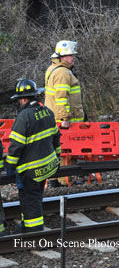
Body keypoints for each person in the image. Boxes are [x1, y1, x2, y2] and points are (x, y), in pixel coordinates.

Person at [6, 79, 60, 233]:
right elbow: (57, 138)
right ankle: (27, 222)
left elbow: (16, 146)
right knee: (36, 195)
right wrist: (57, 159)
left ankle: (33, 229)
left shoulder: (23, 118)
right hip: (48, 166)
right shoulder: (48, 112)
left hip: (31, 170)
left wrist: (10, 165)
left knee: (30, 198)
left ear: (23, 99)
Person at [44, 40, 84, 186]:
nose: (72, 57)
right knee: (67, 149)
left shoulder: (53, 68)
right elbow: (61, 97)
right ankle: (65, 180)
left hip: (53, 116)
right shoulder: (62, 72)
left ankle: (56, 180)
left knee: (57, 149)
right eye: (69, 55)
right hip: (63, 118)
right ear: (62, 56)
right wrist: (65, 118)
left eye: (72, 55)